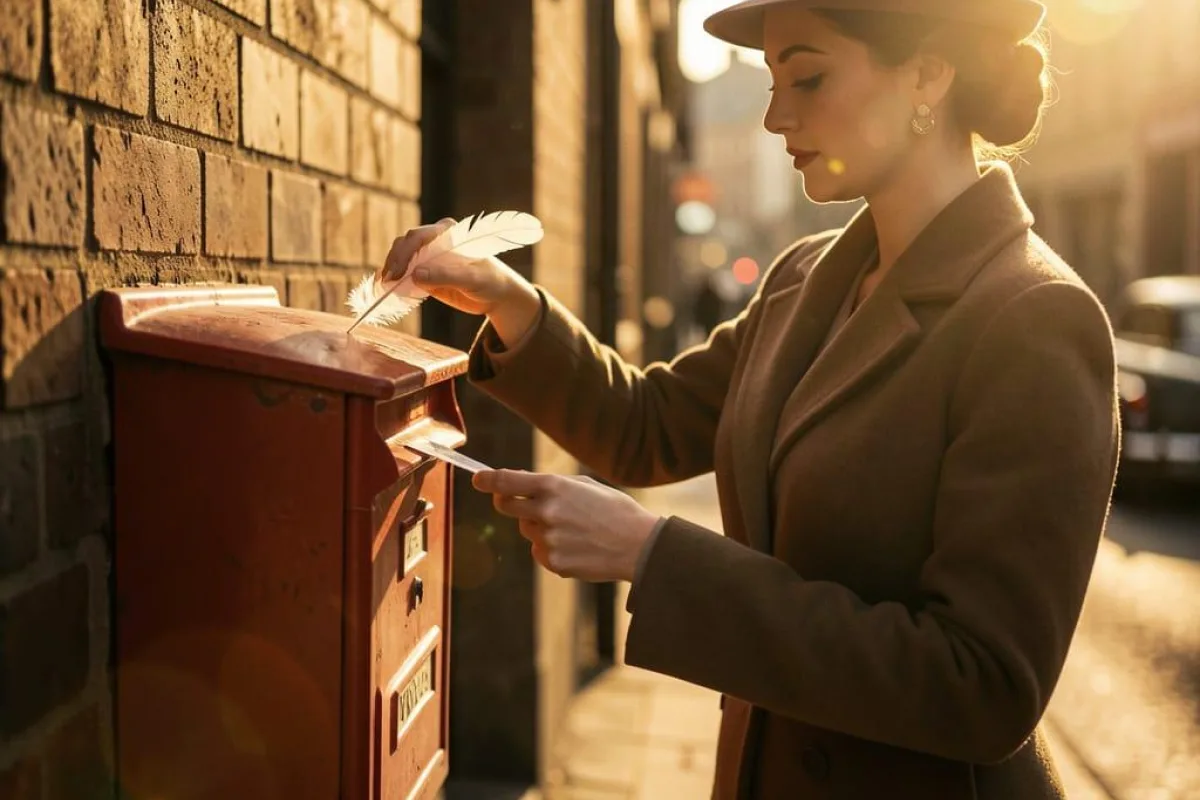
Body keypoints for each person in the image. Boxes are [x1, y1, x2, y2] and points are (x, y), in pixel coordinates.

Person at [384, 1, 1120, 796]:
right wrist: (508, 298)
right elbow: (648, 426)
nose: (775, 116)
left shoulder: (1033, 317)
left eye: (808, 76)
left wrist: (652, 555)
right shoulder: (806, 279)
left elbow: (982, 686)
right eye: (772, 82)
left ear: (927, 73)